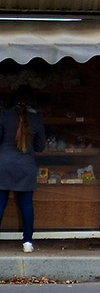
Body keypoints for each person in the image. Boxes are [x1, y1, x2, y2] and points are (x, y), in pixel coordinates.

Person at [0, 87, 47, 253]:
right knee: (26, 205)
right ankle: (28, 242)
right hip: (26, 166)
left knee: (0, 204)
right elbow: (41, 146)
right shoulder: (36, 119)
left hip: (3, 165)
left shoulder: (4, 115)